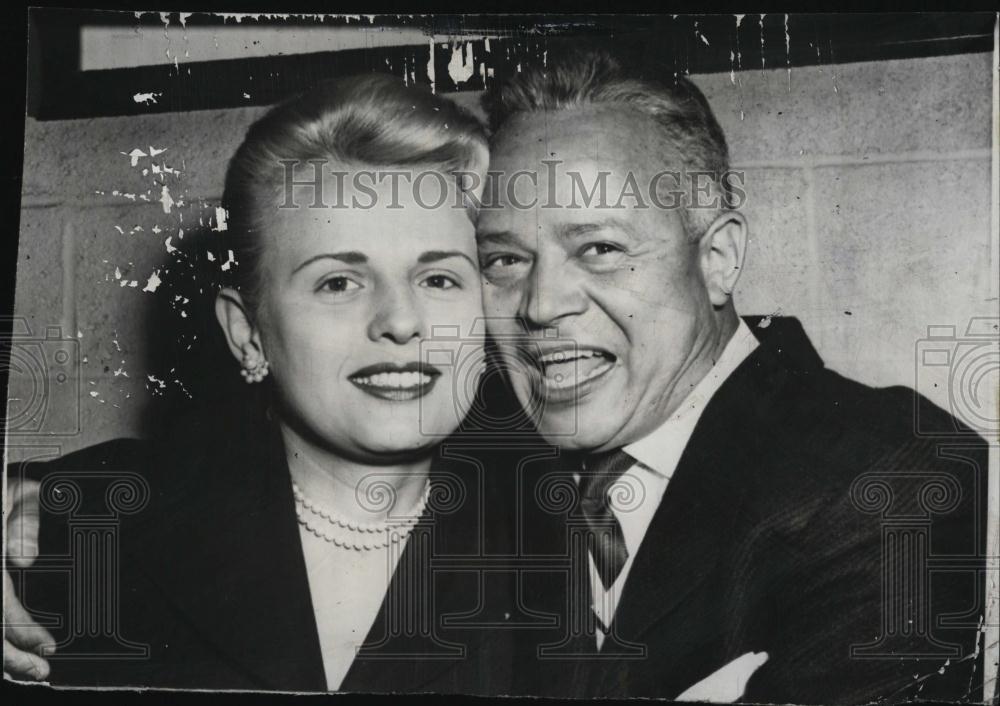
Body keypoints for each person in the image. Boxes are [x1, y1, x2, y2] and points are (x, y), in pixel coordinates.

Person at [472, 48, 988, 703]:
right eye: (503, 260)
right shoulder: (476, 472)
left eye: (599, 248)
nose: (540, 305)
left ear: (718, 257)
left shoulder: (890, 481)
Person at [3, 73, 513, 693]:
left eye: (438, 279)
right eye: (338, 283)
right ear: (248, 333)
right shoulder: (84, 525)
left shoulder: (571, 544)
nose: (401, 321)